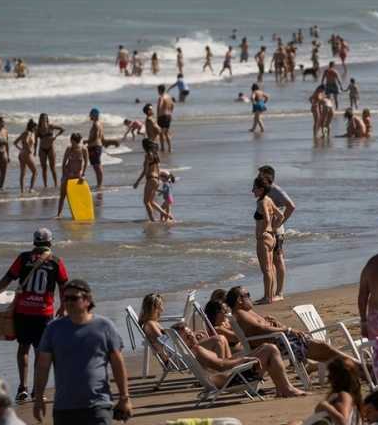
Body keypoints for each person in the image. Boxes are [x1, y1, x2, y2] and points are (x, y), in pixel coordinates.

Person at [138, 294, 306, 398]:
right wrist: (245, 360)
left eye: (190, 333)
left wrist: (242, 359)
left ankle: (283, 389)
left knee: (268, 347)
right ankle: (285, 389)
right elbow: (221, 365)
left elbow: (221, 363)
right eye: (188, 334)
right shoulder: (196, 350)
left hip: (229, 374)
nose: (192, 334)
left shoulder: (195, 350)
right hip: (227, 379)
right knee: (270, 348)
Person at [33, 280, 132, 425]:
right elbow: (42, 366)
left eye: (74, 298)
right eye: (65, 298)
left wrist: (124, 398)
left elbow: (118, 363)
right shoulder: (53, 329)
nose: (68, 302)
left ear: (87, 300)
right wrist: (39, 398)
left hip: (98, 405)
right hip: (64, 408)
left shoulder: (104, 326)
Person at [0, 228, 69, 402]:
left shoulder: (23, 258)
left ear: (34, 242)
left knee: (23, 348)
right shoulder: (55, 261)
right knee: (41, 352)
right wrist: (64, 306)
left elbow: (8, 278)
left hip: (23, 311)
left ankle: (22, 388)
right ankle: (37, 391)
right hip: (43, 313)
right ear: (50, 243)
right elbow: (64, 285)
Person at [226, 286, 349, 364]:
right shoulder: (241, 313)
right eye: (247, 295)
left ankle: (353, 366)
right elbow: (261, 328)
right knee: (323, 348)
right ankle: (355, 365)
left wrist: (273, 322)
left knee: (324, 351)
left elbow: (261, 326)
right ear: (239, 300)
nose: (250, 298)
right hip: (281, 343)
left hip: (281, 340)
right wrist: (288, 330)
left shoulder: (246, 312)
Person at [280, 357, 363, 425]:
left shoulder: (344, 396)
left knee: (294, 424)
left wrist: (325, 406)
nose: (328, 377)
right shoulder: (349, 397)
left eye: (330, 373)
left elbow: (343, 422)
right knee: (297, 423)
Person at [257, 166, 294, 300]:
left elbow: (291, 206)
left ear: (268, 176)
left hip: (276, 232)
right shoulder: (265, 192)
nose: (258, 177)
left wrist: (276, 225)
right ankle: (270, 294)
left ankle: (279, 293)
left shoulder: (275, 190)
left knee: (278, 260)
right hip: (270, 232)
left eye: (260, 175)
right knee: (270, 263)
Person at [132, 129, 170, 222]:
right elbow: (158, 169)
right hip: (157, 180)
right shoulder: (156, 155)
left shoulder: (147, 155)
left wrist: (137, 182)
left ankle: (152, 220)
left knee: (146, 202)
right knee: (151, 201)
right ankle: (165, 214)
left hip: (151, 179)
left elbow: (145, 171)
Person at [56, 133, 88, 218]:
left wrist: (82, 173)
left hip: (78, 174)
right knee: (63, 195)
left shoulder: (84, 149)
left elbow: (86, 163)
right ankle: (59, 214)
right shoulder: (69, 149)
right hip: (68, 173)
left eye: (73, 141)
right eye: (72, 141)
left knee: (78, 195)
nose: (72, 143)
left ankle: (79, 212)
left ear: (76, 141)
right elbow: (63, 163)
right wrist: (64, 175)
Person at [36, 113, 64, 188]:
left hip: (51, 148)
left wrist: (55, 136)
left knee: (52, 167)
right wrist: (34, 151)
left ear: (47, 119)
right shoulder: (38, 128)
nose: (44, 119)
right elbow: (35, 141)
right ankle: (45, 185)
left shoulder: (51, 126)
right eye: (42, 118)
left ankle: (56, 184)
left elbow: (62, 129)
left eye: (45, 118)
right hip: (42, 149)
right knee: (44, 168)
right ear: (40, 119)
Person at [13, 120, 38, 193]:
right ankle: (31, 189)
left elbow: (15, 142)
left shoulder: (25, 132)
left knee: (23, 173)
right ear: (33, 127)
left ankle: (22, 190)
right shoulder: (29, 133)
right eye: (36, 127)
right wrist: (29, 149)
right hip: (27, 154)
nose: (36, 129)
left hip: (21, 154)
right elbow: (26, 141)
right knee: (35, 171)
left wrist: (21, 149)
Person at [86, 108, 105, 190]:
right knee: (97, 166)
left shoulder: (95, 124)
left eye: (91, 114)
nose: (89, 115)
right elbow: (102, 137)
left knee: (97, 166)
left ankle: (100, 184)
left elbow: (95, 137)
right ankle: (99, 184)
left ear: (94, 115)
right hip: (97, 146)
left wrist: (85, 141)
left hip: (94, 146)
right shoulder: (99, 123)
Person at [156, 84, 175, 152]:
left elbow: (160, 106)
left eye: (158, 90)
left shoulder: (161, 97)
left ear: (160, 90)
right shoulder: (169, 97)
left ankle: (162, 148)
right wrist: (170, 113)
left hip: (162, 116)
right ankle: (170, 148)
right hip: (168, 116)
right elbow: (173, 105)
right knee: (166, 133)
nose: (157, 92)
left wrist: (157, 116)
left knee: (161, 133)